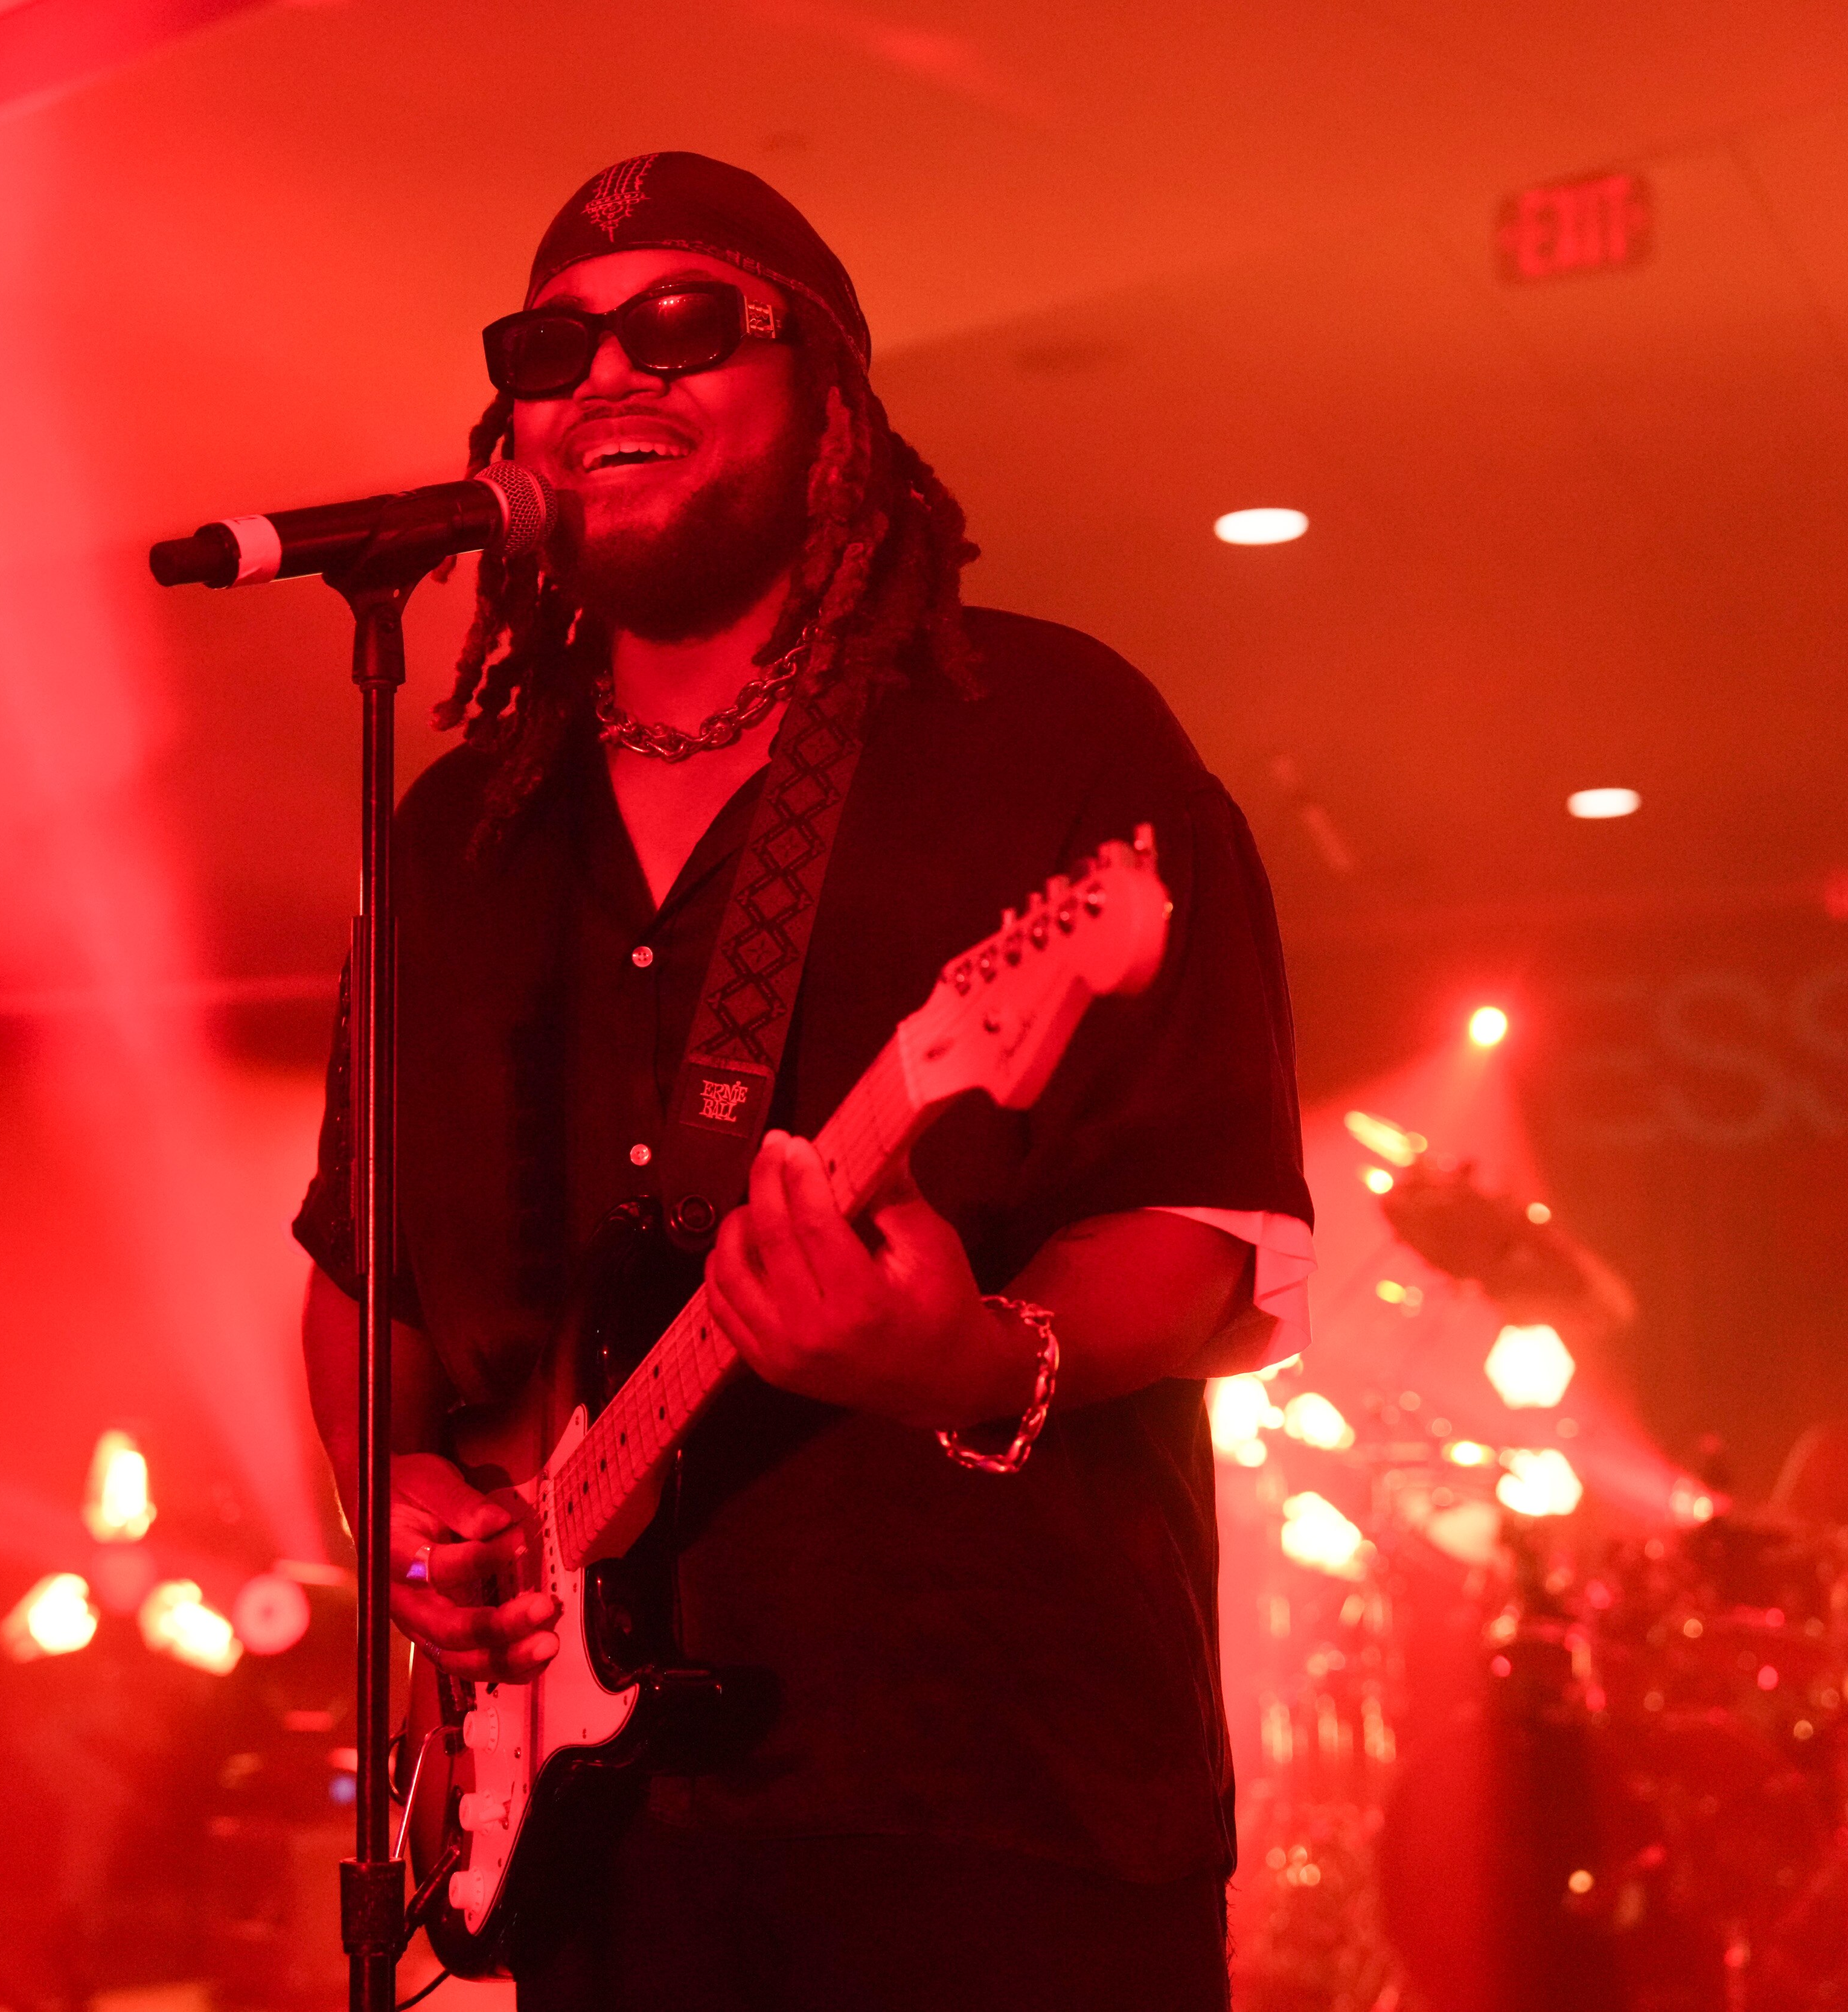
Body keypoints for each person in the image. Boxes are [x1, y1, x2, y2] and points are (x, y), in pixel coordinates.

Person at [293, 152, 1312, 2010]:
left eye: (689, 327)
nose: (611, 372)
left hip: (997, 1804)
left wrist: (973, 1358)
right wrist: (416, 1521)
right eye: (556, 343)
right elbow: (362, 1288)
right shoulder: (457, 834)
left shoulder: (1050, 739)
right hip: (605, 1848)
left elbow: (1203, 1223)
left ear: (833, 406)